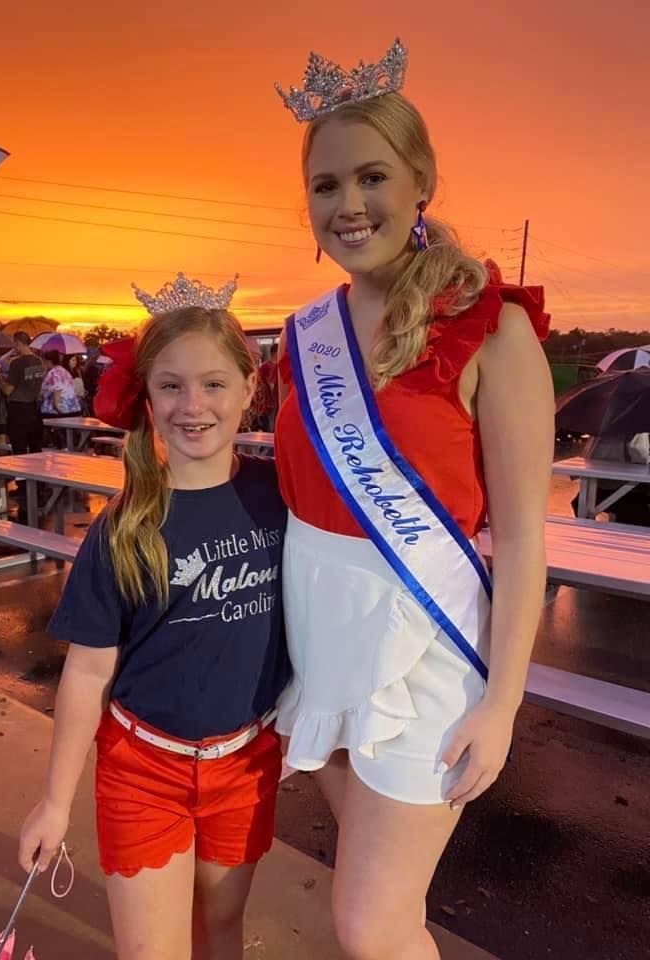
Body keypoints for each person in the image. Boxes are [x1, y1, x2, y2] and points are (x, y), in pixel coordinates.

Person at [273, 39, 554, 959]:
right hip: (323, 635)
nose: (348, 206)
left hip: (423, 647)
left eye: (371, 177)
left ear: (421, 180)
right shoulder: (304, 335)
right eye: (325, 186)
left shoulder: (494, 330)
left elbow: (520, 539)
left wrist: (502, 704)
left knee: (368, 922)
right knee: (384, 903)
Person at [18, 277, 291, 960]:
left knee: (221, 931)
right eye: (170, 386)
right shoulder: (124, 527)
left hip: (246, 765)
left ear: (248, 387)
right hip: (144, 771)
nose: (192, 405)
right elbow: (86, 672)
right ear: (147, 398)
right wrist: (55, 802)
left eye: (212, 384)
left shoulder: (283, 500)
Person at [571, 433, 650, 525]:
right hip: (620, 489)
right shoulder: (636, 427)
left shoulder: (601, 427)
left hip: (596, 486)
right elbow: (641, 456)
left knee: (581, 504)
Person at [0, 332, 44, 456]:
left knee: (19, 447)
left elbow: (8, 390)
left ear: (18, 343)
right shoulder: (38, 361)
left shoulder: (17, 363)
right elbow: (28, 379)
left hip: (18, 408)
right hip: (34, 407)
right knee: (35, 446)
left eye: (15, 344)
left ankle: (20, 474)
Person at [40, 350, 81, 447]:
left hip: (57, 410)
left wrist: (56, 406)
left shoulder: (54, 373)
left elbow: (57, 389)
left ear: (48, 361)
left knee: (59, 436)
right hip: (72, 408)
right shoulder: (64, 371)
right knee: (66, 437)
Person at [256, 344, 279, 431]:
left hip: (271, 402)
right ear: (275, 353)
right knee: (270, 425)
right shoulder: (267, 366)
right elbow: (271, 384)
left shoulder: (268, 366)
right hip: (269, 402)